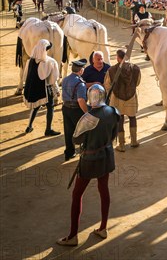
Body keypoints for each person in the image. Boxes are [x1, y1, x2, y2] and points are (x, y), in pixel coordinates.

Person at [56, 85, 119, 246]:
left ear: (91, 99)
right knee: (103, 189)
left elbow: (76, 140)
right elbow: (114, 134)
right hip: (106, 155)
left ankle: (72, 236)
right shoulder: (112, 112)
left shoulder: (88, 118)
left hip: (90, 159)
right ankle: (103, 228)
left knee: (77, 195)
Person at [104, 49, 141, 152]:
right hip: (131, 96)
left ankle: (121, 145)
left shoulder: (111, 70)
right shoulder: (135, 68)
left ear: (118, 58)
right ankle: (134, 141)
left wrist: (111, 94)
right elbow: (137, 82)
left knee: (120, 119)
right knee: (132, 117)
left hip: (117, 98)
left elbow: (107, 85)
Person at [23, 39, 61, 136]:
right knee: (50, 108)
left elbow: (25, 76)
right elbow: (53, 80)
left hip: (34, 89)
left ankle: (29, 126)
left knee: (35, 107)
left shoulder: (30, 60)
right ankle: (48, 129)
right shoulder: (50, 62)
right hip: (46, 90)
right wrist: (57, 90)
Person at [61, 59, 89, 161]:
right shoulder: (80, 84)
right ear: (81, 70)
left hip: (65, 108)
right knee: (83, 131)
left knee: (68, 131)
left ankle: (69, 152)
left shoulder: (65, 79)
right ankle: (85, 151)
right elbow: (81, 100)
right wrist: (87, 112)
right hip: (76, 109)